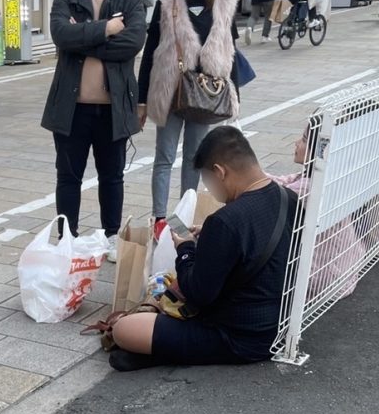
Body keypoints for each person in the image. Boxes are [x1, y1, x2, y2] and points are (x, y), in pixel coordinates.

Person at [108, 127, 297, 371]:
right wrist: (209, 240)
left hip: (238, 337)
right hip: (279, 325)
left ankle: (170, 352)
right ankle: (164, 352)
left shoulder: (226, 221)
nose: (210, 190)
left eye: (207, 181)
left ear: (220, 172)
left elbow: (198, 293)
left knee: (123, 330)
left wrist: (186, 248)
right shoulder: (289, 199)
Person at [43, 0, 146, 262]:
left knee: (112, 176)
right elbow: (60, 35)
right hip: (71, 106)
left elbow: (132, 43)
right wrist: (106, 29)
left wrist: (84, 40)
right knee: (68, 176)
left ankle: (111, 235)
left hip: (113, 107)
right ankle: (66, 235)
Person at [137, 0, 239, 225]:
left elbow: (230, 50)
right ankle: (159, 219)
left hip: (206, 92)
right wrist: (141, 100)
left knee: (195, 158)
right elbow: (150, 51)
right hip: (169, 89)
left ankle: (185, 217)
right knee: (164, 157)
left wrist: (234, 97)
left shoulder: (223, 0)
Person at [270, 118, 366, 300]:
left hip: (326, 282)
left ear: (319, 151)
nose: (297, 143)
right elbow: (282, 181)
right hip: (344, 271)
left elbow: (271, 195)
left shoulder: (310, 187)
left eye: (305, 140)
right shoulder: (327, 177)